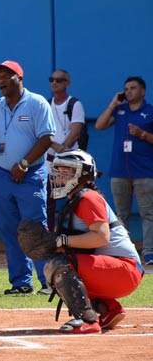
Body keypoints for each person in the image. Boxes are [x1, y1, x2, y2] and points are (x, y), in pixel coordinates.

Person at [44, 150, 144, 333]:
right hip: (116, 269)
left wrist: (61, 241)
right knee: (57, 261)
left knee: (60, 265)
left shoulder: (88, 197)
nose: (59, 174)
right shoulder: (74, 199)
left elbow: (101, 237)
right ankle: (109, 309)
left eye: (65, 170)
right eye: (58, 169)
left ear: (82, 173)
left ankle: (88, 321)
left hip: (125, 269)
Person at [0, 60, 55, 295]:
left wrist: (24, 164)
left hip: (31, 174)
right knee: (9, 229)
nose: (1, 81)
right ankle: (21, 282)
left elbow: (47, 138)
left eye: (7, 76)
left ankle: (48, 280)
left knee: (35, 228)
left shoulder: (37, 103)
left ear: (20, 79)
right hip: (2, 176)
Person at [95, 76, 153, 266]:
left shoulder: (149, 112)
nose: (128, 92)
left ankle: (149, 252)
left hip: (144, 171)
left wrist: (142, 134)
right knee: (120, 214)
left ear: (142, 91)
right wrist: (113, 104)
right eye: (126, 88)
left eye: (133, 88)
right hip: (119, 171)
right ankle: (124, 250)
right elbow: (99, 125)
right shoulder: (120, 110)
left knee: (148, 213)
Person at [46, 69, 85, 230]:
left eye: (59, 80)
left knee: (75, 199)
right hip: (49, 161)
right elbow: (41, 131)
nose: (54, 82)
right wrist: (55, 147)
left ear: (67, 83)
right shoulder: (46, 104)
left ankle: (75, 235)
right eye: (52, 79)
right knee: (48, 201)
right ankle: (47, 237)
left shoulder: (74, 104)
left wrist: (63, 149)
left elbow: (76, 131)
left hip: (70, 160)